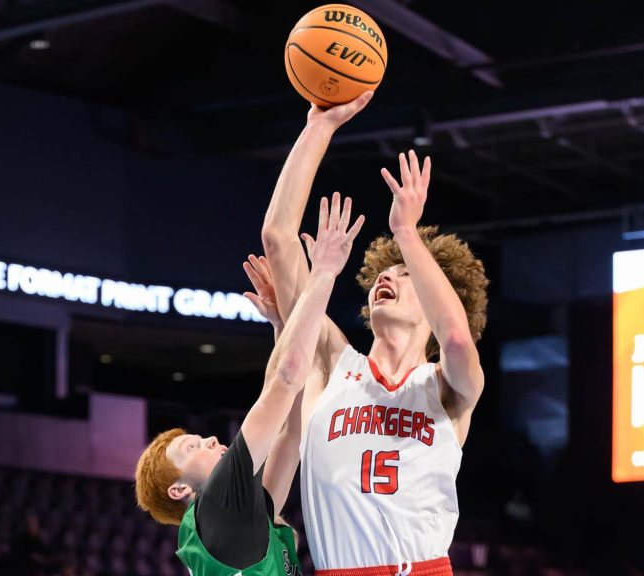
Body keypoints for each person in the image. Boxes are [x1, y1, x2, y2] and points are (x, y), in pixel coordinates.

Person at [261, 93, 489, 576]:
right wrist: (318, 128)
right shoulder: (332, 363)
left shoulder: (449, 390)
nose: (389, 278)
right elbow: (279, 238)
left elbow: (455, 337)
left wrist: (406, 231)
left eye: (407, 276)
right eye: (387, 274)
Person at [135, 196, 365, 576]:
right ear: (179, 490)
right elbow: (287, 378)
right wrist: (323, 273)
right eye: (191, 447)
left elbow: (291, 435)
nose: (208, 440)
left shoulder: (236, 518)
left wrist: (281, 327)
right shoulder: (217, 503)